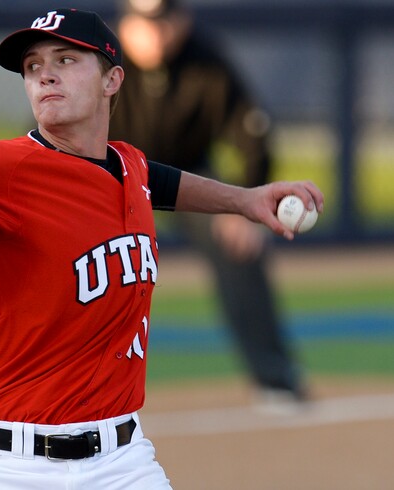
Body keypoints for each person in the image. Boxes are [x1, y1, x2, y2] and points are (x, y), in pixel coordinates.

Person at [0, 8, 323, 489]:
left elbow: (158, 183)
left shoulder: (130, 166)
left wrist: (247, 199)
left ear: (113, 79)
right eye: (33, 66)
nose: (44, 74)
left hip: (124, 462)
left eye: (65, 60)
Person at [110, 0, 308, 407]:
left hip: (186, 180)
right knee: (85, 260)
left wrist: (246, 206)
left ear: (182, 20)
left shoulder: (206, 60)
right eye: (143, 23)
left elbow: (253, 136)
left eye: (163, 21)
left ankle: (276, 379)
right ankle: (75, 388)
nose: (154, 33)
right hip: (111, 180)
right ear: (124, 23)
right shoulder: (101, 62)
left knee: (237, 240)